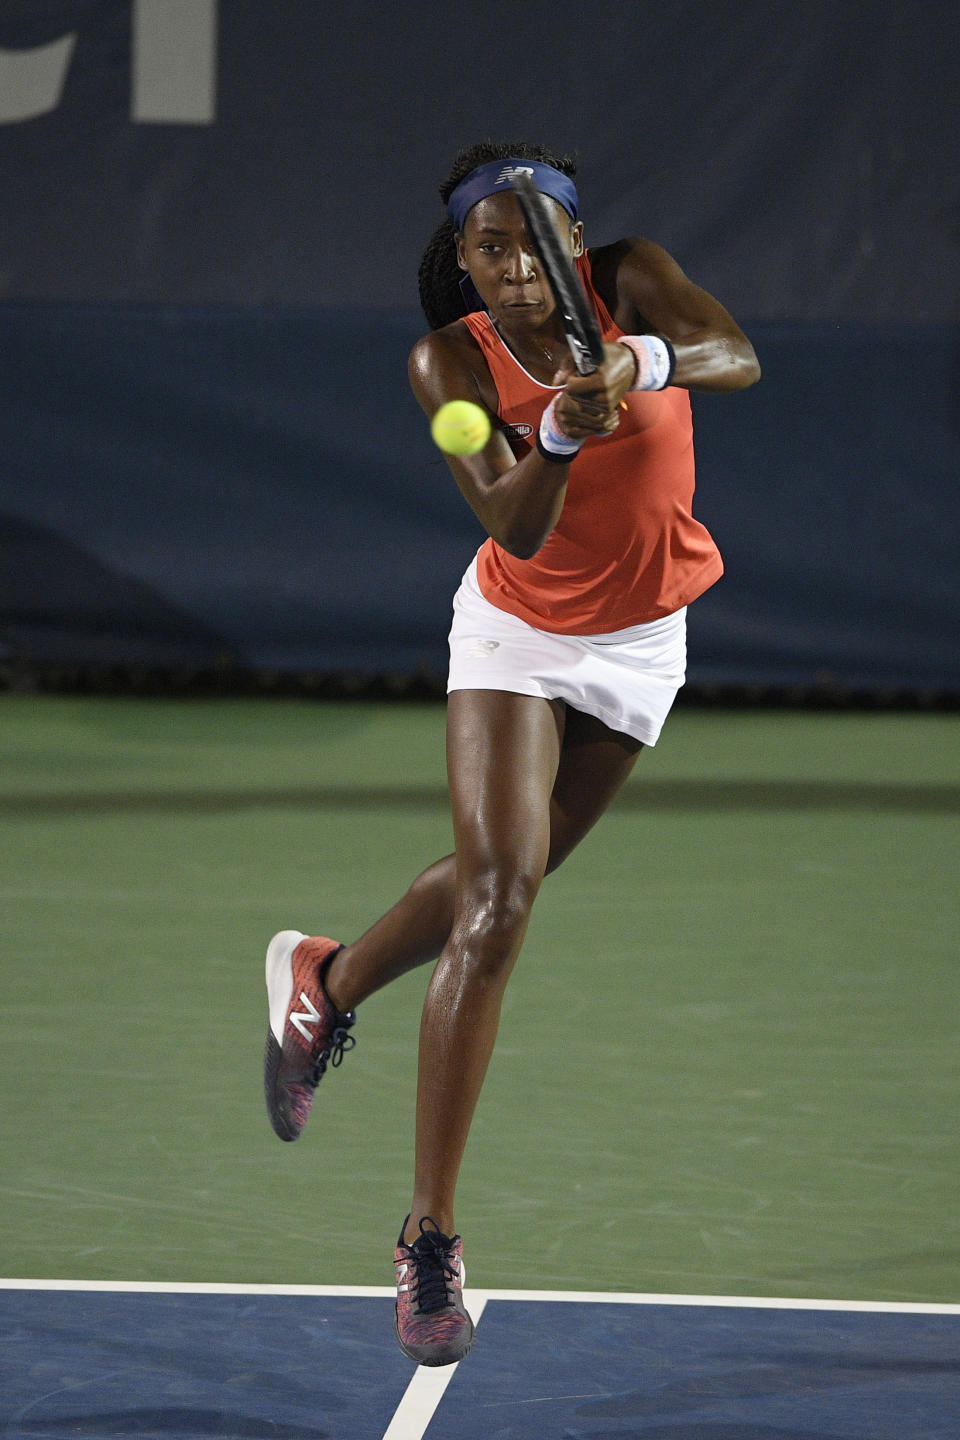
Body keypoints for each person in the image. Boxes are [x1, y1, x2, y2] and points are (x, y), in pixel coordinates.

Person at [262, 141, 760, 1369]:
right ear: (462, 257)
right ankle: (430, 1238)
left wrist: (628, 363)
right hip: (518, 633)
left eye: (530, 243)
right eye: (486, 247)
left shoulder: (634, 282)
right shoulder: (448, 361)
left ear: (573, 245)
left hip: (643, 643)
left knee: (507, 881)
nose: (509, 267)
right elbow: (519, 531)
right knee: (495, 902)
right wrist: (561, 437)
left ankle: (322, 985)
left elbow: (735, 354)